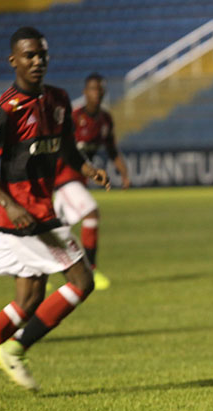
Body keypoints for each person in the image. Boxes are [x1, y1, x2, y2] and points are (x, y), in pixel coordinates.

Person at [0, 26, 110, 404]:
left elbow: (65, 148)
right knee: (82, 281)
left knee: (27, 301)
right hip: (26, 215)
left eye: (42, 55)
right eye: (29, 56)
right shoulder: (6, 110)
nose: (37, 62)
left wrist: (87, 168)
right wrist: (9, 204)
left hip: (40, 210)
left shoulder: (59, 100)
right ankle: (14, 349)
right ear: (13, 60)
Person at [52, 72, 130, 290]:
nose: (97, 93)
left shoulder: (105, 120)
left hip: (78, 181)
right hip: (64, 179)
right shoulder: (74, 118)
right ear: (85, 92)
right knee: (91, 213)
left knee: (56, 231)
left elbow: (112, 149)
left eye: (100, 89)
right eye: (93, 89)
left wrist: (123, 173)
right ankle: (91, 270)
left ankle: (41, 273)